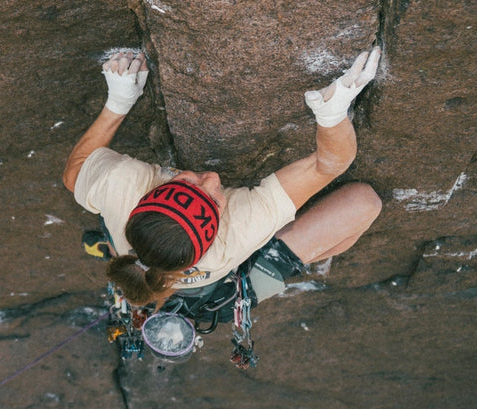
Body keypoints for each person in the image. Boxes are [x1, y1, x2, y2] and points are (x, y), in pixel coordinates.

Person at [61, 47, 384, 339]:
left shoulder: (122, 184)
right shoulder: (240, 228)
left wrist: (118, 103)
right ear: (219, 225)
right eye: (214, 198)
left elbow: (73, 174)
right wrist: (332, 116)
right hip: (224, 277)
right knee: (362, 204)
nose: (212, 178)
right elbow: (327, 166)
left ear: (149, 195)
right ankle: (306, 257)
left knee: (348, 224)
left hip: (179, 260)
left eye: (186, 182)